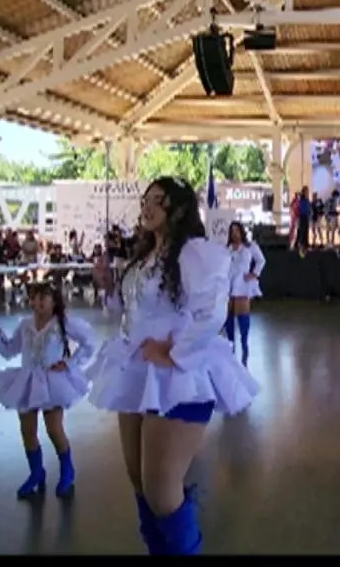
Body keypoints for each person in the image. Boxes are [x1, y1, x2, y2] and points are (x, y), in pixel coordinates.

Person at [87, 177, 258, 555]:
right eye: (145, 200)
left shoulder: (193, 253)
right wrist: (107, 287)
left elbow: (212, 311)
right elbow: (134, 311)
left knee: (162, 493)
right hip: (136, 371)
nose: (146, 207)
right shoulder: (146, 255)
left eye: (157, 201)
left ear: (178, 209)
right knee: (140, 483)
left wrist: (175, 353)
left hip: (179, 377)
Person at [0, 281, 99, 499]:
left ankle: (67, 469)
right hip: (27, 382)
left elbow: (89, 342)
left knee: (54, 429)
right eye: (33, 297)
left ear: (54, 300)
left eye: (43, 297)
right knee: (27, 431)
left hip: (53, 383)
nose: (37, 302)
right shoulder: (25, 324)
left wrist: (70, 363)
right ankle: (36, 472)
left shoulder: (62, 323)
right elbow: (10, 350)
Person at [223, 222, 266, 366]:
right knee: (228, 315)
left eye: (237, 230)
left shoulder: (250, 246)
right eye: (232, 231)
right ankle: (230, 344)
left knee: (243, 315)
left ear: (241, 231)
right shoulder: (227, 249)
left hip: (242, 284)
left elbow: (261, 260)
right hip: (228, 285)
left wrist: (254, 274)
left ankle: (244, 344)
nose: (234, 233)